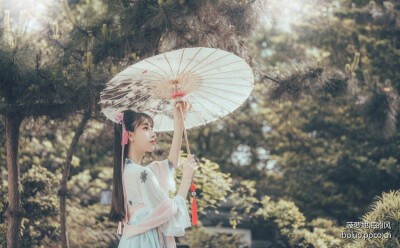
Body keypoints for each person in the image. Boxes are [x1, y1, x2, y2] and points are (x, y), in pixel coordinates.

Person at [109, 101, 197, 248]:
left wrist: (179, 123)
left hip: (133, 240)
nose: (153, 133)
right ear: (130, 136)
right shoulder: (141, 173)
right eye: (145, 128)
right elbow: (170, 210)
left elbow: (169, 166)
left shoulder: (128, 170)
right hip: (145, 241)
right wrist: (187, 179)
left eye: (151, 128)